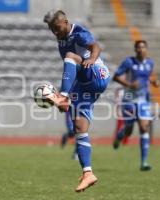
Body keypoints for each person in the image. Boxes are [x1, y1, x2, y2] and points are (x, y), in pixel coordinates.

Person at [43, 10, 110, 192]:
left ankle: (62, 96)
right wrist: (67, 101)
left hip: (96, 73)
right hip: (84, 83)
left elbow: (95, 46)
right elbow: (71, 71)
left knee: (70, 57)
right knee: (79, 128)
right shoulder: (61, 39)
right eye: (52, 30)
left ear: (65, 21)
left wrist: (93, 59)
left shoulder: (79, 32)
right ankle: (88, 173)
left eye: (56, 28)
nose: (55, 33)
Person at [112, 40, 159, 171]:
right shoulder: (129, 62)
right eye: (138, 48)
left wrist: (154, 82)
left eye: (142, 47)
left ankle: (144, 162)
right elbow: (115, 77)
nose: (140, 50)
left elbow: (147, 78)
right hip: (129, 99)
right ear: (135, 50)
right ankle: (120, 135)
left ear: (146, 49)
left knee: (144, 128)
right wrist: (129, 85)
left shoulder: (150, 63)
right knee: (129, 130)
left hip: (143, 100)